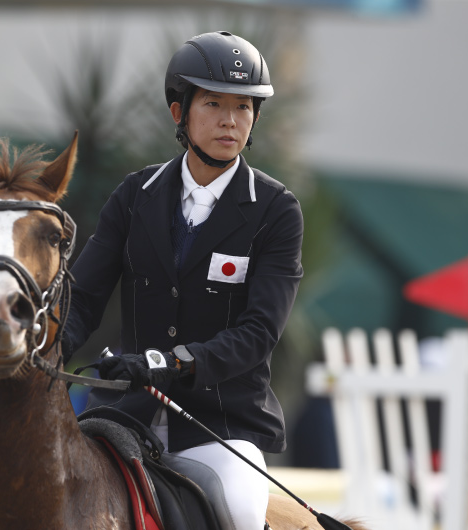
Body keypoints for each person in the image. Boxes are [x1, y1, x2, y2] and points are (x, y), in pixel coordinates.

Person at [62, 31, 304, 530]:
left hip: (220, 426)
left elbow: (259, 333)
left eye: (243, 107)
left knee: (239, 507)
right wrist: (44, 352)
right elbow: (81, 298)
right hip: (124, 413)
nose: (230, 120)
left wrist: (169, 363)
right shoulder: (134, 196)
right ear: (179, 112)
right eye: (214, 103)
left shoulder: (277, 211)